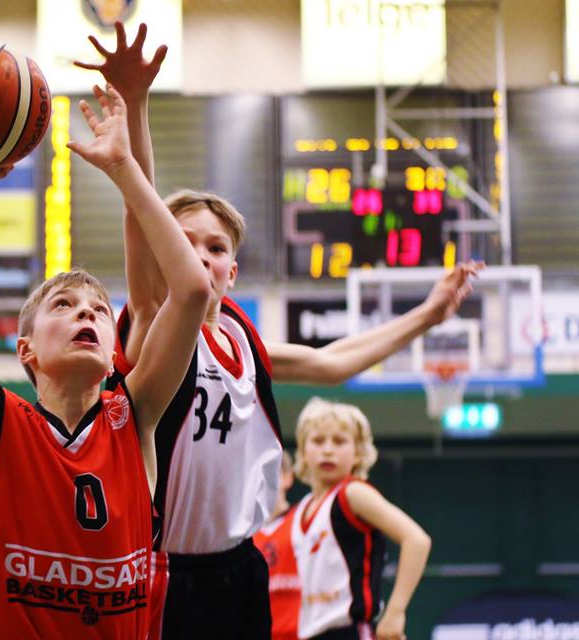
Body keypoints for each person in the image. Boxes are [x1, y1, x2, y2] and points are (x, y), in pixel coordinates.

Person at [75, 21, 479, 639]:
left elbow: (333, 363)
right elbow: (139, 211)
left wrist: (428, 314)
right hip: (162, 567)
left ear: (233, 271)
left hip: (240, 566)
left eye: (215, 248)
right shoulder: (156, 323)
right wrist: (137, 104)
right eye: (184, 243)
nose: (200, 256)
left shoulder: (242, 339)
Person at [0, 84, 210, 639]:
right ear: (25, 349)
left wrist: (124, 169)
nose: (87, 314)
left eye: (99, 310)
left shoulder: (135, 416)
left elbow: (192, 290)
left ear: (112, 350)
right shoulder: (1, 423)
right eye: (64, 305)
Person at [291, 398, 430, 640]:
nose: (328, 449)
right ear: (303, 452)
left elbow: (417, 540)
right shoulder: (302, 508)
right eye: (318, 440)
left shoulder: (352, 493)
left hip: (350, 630)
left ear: (358, 453)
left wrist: (396, 611)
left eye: (339, 441)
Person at [254, 450, 301, 640]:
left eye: (271, 470)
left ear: (288, 477)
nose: (263, 478)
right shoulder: (242, 533)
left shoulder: (303, 519)